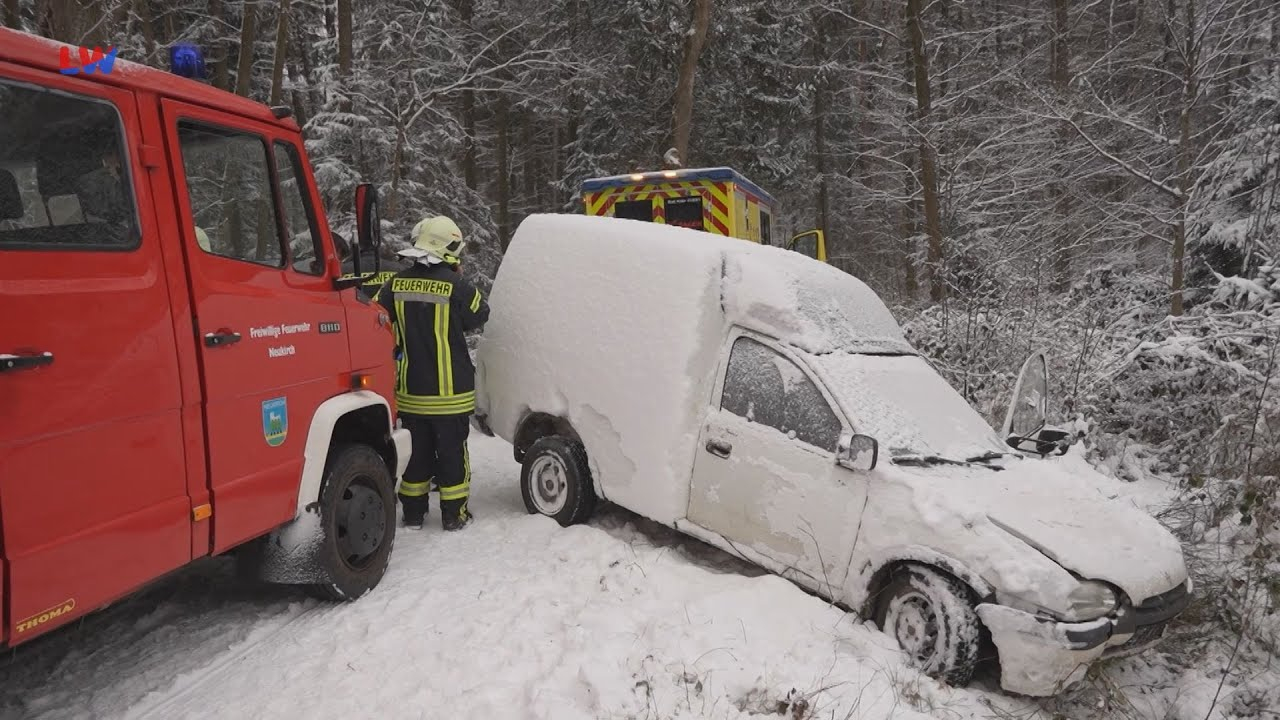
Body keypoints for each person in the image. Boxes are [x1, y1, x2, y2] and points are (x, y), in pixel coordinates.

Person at [374, 215, 489, 530]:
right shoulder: (457, 285)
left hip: (411, 392)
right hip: (450, 394)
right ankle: (455, 515)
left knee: (416, 456)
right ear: (448, 248)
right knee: (453, 455)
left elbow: (376, 319)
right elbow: (480, 315)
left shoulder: (394, 284)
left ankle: (412, 513)